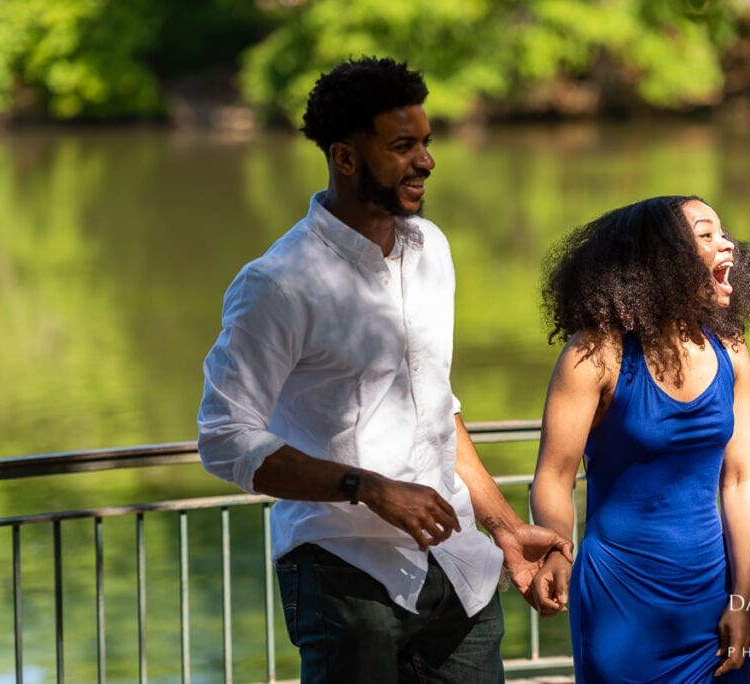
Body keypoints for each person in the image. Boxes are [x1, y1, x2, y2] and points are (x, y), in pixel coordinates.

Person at [197, 56, 571, 683]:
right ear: (345, 158)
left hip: (457, 570)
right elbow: (224, 439)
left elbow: (435, 408)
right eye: (403, 146)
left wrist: (504, 527)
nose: (425, 161)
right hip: (344, 574)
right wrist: (369, 488)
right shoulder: (278, 284)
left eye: (425, 143)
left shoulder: (432, 251)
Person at [529, 196, 750, 682]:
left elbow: (742, 478)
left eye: (723, 232)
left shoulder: (730, 349)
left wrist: (742, 599)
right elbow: (554, 477)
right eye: (706, 236)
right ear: (662, 259)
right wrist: (557, 550)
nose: (727, 244)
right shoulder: (595, 354)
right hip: (621, 604)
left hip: (711, 597)